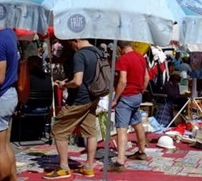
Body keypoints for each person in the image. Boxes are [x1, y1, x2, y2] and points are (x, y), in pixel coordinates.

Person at [44, 38, 101, 179]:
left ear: (76, 40)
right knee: (90, 131)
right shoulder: (97, 52)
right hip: (93, 97)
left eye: (70, 43)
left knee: (58, 130)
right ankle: (88, 166)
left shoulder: (80, 55)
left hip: (78, 99)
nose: (70, 46)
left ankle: (63, 167)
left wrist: (64, 85)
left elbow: (77, 81)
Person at [108, 41, 149, 173]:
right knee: (137, 123)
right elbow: (147, 77)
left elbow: (123, 81)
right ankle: (142, 151)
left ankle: (120, 162)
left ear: (120, 48)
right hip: (137, 95)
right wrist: (141, 90)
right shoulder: (141, 57)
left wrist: (115, 99)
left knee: (121, 128)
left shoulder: (123, 59)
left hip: (126, 96)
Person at [0, 28, 19, 181]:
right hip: (9, 93)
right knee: (4, 145)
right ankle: (12, 178)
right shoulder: (9, 32)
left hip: (0, 96)